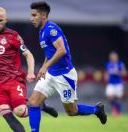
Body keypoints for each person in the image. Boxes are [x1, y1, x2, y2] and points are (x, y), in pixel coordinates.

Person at [0, 7, 57, 132]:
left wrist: (31, 72)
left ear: (6, 20)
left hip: (14, 80)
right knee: (5, 112)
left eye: (1, 20)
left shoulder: (13, 36)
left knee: (20, 111)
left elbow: (28, 55)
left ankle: (40, 105)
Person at [28, 2, 107, 132]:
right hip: (50, 74)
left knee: (72, 111)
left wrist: (45, 66)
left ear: (43, 15)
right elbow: (49, 53)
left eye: (34, 15)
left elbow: (61, 50)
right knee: (33, 102)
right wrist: (44, 68)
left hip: (64, 75)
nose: (31, 18)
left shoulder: (51, 29)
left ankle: (97, 110)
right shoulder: (41, 32)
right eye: (31, 15)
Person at [105, 51, 126, 116]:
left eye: (114, 56)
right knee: (109, 97)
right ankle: (115, 109)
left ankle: (118, 112)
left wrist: (118, 72)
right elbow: (107, 72)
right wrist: (106, 76)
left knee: (118, 98)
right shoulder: (108, 64)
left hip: (118, 83)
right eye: (111, 57)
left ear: (117, 57)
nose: (113, 58)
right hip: (111, 83)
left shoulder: (120, 64)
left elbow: (124, 73)